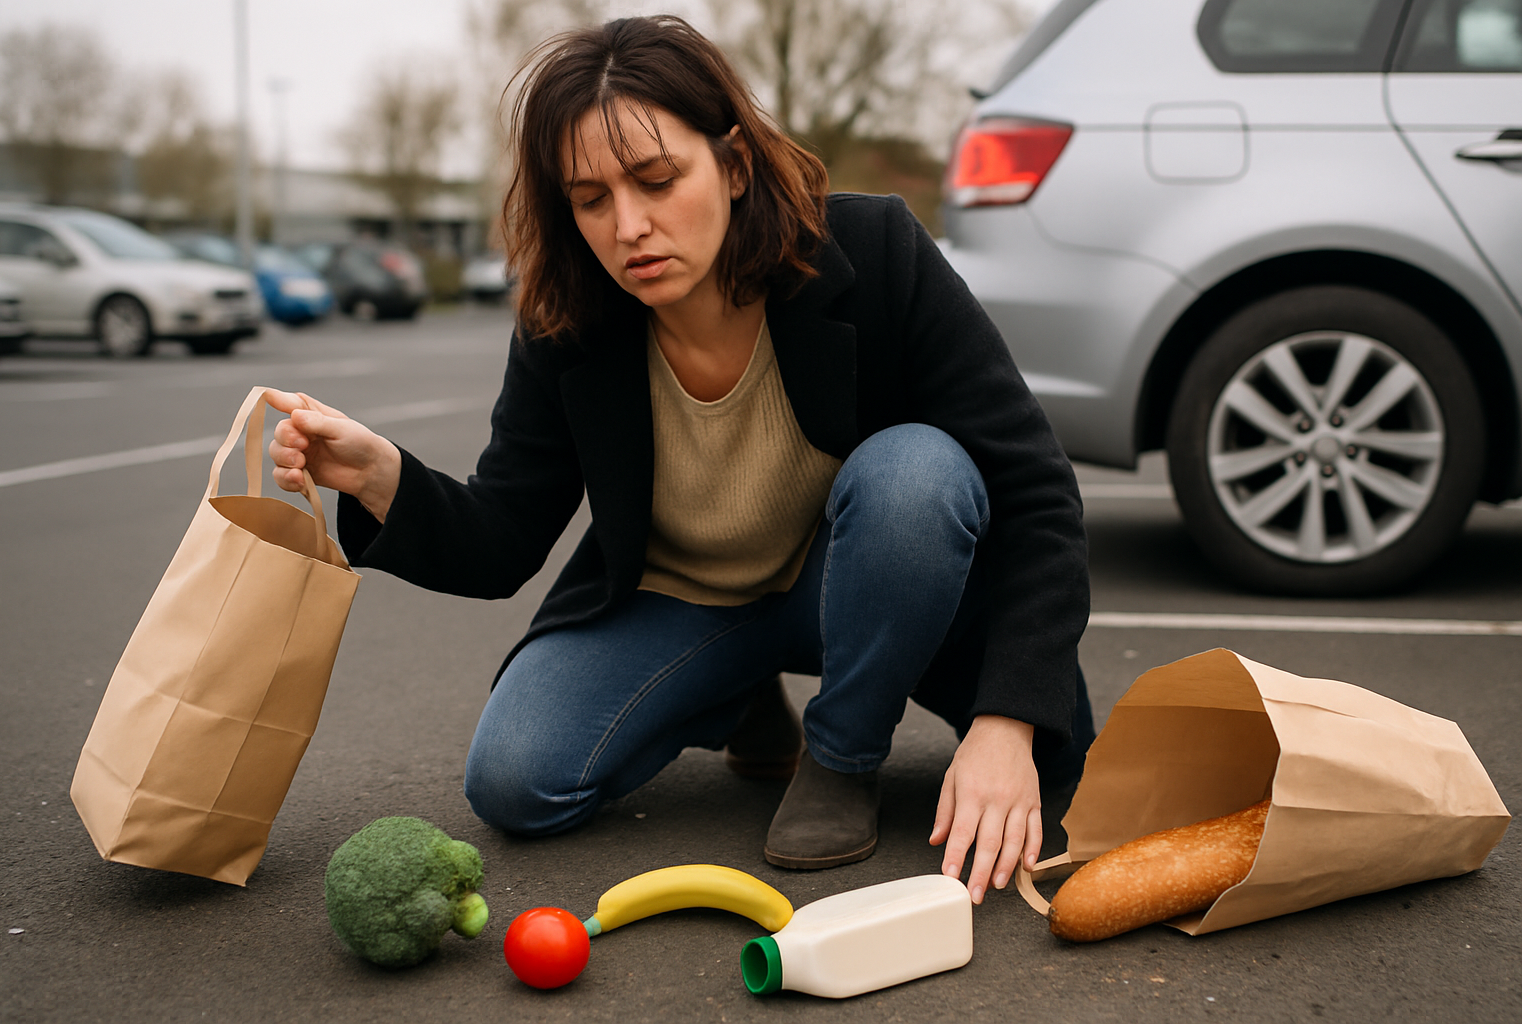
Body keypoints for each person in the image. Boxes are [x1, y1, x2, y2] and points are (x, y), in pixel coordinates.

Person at [265, 15, 1093, 906]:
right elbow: (505, 533)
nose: (629, 226)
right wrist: (380, 474)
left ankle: (844, 754)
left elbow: (1035, 490)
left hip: (858, 588)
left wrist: (1007, 723)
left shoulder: (878, 253)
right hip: (682, 601)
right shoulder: (568, 320)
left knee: (919, 473)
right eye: (590, 199)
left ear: (733, 164)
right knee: (514, 780)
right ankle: (736, 688)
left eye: (657, 180)